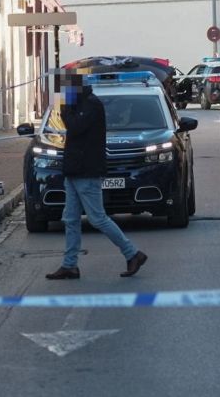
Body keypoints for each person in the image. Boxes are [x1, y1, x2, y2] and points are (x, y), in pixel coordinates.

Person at [46, 72, 148, 280]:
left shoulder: (91, 105)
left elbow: (74, 128)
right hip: (74, 170)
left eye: (64, 92)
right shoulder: (79, 105)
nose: (62, 96)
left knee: (97, 218)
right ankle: (69, 265)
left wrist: (64, 108)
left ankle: (132, 253)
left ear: (74, 91)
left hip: (86, 170)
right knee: (71, 219)